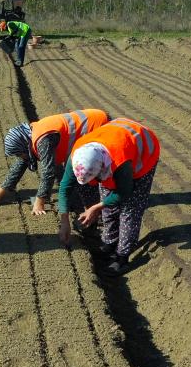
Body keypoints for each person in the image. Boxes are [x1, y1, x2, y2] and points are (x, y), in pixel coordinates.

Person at [56, 118, 160, 275]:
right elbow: (64, 187)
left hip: (143, 152)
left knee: (129, 210)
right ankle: (109, 243)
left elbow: (125, 192)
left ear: (102, 167)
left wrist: (96, 207)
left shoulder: (120, 161)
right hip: (113, 139)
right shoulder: (78, 157)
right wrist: (64, 221)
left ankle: (122, 257)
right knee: (108, 205)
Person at [0, 108, 108, 217]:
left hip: (98, 126)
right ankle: (94, 210)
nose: (20, 157)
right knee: (80, 178)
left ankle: (95, 213)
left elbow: (49, 171)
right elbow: (18, 167)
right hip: (94, 120)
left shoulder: (43, 139)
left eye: (18, 153)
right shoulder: (30, 137)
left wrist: (39, 202)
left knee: (85, 176)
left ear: (22, 146)